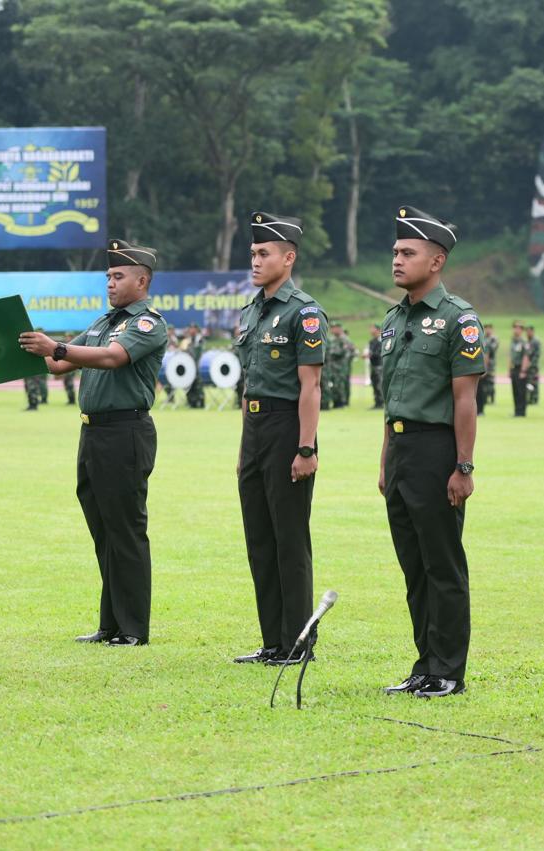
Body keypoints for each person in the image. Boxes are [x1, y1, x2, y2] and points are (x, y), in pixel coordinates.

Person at [19, 239, 168, 647]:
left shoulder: (146, 323)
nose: (111, 283)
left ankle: (134, 628)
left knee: (126, 530)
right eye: (108, 276)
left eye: (118, 276)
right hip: (94, 433)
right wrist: (20, 343)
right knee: (103, 530)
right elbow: (57, 365)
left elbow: (112, 358)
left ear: (142, 280)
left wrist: (59, 347)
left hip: (125, 433)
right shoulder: (103, 323)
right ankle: (111, 625)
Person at [378, 205, 484, 698]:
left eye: (407, 252)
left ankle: (448, 670)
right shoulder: (394, 319)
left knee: (442, 565)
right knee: (413, 566)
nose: (396, 260)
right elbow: (391, 396)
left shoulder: (457, 319)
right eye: (396, 252)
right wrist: (385, 461)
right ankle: (424, 663)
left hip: (436, 449)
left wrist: (463, 466)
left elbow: (465, 400)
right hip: (400, 450)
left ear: (436, 260)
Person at [231, 212, 329, 666]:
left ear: (288, 258)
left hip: (288, 427)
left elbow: (310, 385)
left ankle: (297, 642)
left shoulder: (303, 312)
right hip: (254, 431)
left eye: (263, 253)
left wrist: (306, 447)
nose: (254, 260)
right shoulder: (253, 310)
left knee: (290, 539)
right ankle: (272, 641)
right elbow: (251, 384)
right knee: (260, 539)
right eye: (252, 253)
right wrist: (243, 450)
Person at [477, 326, 499, 414]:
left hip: (485, 368)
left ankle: (481, 409)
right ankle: (479, 409)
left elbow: (487, 355)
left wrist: (484, 369)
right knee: (480, 389)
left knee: (485, 388)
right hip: (479, 368)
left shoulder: (489, 341)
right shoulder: (483, 340)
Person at [509, 321, 528, 416]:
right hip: (514, 368)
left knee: (521, 391)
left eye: (518, 328)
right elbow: (511, 356)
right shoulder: (513, 341)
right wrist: (509, 369)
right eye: (514, 327)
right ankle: (517, 411)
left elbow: (526, 356)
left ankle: (521, 411)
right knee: (515, 390)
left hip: (520, 368)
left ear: (521, 330)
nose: (516, 330)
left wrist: (523, 370)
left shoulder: (523, 342)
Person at [368, 323, 384, 408]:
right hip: (373, 366)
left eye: (372, 328)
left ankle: (381, 402)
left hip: (379, 366)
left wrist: (371, 355)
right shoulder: (372, 341)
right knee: (374, 384)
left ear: (378, 330)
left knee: (379, 384)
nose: (370, 330)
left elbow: (380, 353)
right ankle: (377, 402)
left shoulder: (381, 341)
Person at [525, 325, 542, 406]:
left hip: (533, 367)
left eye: (529, 331)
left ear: (532, 331)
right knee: (529, 383)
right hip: (527, 366)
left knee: (534, 382)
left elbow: (536, 355)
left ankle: (534, 398)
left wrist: (531, 364)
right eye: (527, 331)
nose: (528, 333)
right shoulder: (527, 342)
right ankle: (530, 398)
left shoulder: (535, 341)